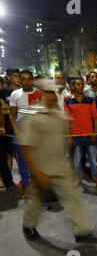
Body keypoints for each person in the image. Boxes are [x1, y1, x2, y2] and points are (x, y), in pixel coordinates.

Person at [21, 82, 97, 244]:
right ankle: (28, 226)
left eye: (53, 93)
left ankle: (82, 231)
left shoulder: (60, 116)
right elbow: (27, 148)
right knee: (36, 200)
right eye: (47, 93)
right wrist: (36, 173)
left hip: (60, 166)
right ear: (41, 95)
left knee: (73, 197)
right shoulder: (34, 117)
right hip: (42, 168)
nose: (51, 95)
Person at [9, 70, 44, 198]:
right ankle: (26, 187)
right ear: (20, 80)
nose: (26, 81)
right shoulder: (15, 94)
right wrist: (17, 132)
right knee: (23, 163)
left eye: (29, 78)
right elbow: (12, 116)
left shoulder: (39, 93)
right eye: (23, 79)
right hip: (20, 132)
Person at [65, 77, 97, 187]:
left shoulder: (90, 100)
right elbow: (67, 120)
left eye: (82, 84)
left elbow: (95, 117)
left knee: (92, 157)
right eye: (78, 84)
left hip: (89, 133)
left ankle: (95, 176)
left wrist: (95, 133)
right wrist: (69, 136)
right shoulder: (68, 101)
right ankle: (78, 178)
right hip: (76, 134)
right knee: (77, 158)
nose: (80, 86)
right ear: (73, 86)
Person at [0, 77, 17, 191]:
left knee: (3, 157)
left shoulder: (3, 97)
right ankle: (9, 183)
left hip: (3, 132)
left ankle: (9, 183)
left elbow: (3, 112)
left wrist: (1, 127)